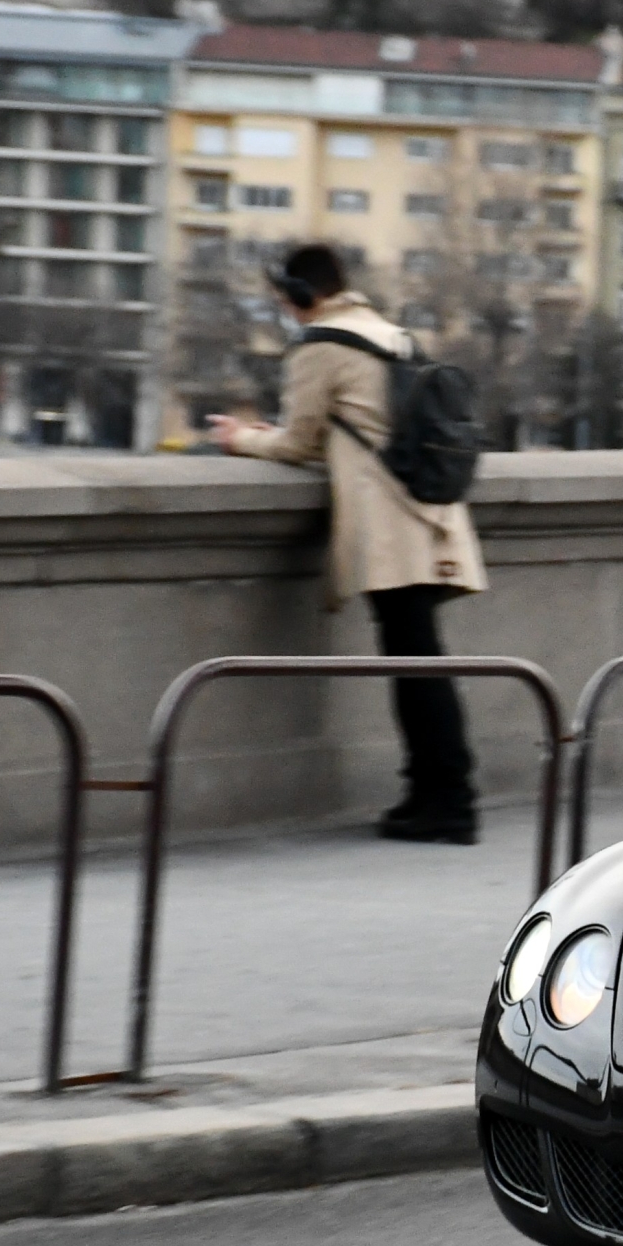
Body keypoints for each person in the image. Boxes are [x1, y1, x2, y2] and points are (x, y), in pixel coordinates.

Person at [209, 243, 489, 844]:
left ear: (303, 296)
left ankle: (448, 805)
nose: (286, 313)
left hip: (391, 527)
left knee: (418, 669)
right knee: (423, 665)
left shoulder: (321, 345)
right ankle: (435, 796)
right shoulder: (390, 333)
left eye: (285, 302)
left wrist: (240, 440)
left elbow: (299, 445)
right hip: (433, 514)